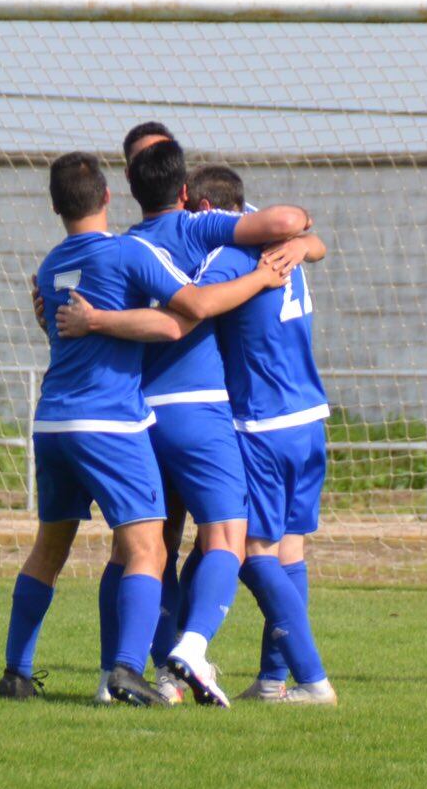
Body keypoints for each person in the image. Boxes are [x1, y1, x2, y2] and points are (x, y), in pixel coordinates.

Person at [0, 151, 293, 706]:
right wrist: (259, 275)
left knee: (49, 549)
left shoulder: (49, 265)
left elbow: (56, 321)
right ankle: (127, 671)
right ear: (108, 197)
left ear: (56, 205)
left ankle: (17, 670)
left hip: (51, 420)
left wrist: (89, 320)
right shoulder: (131, 252)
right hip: (108, 422)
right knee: (147, 549)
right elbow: (186, 313)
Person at [109, 132, 314, 705]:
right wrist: (295, 243)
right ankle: (195, 653)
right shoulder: (205, 233)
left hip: (140, 413)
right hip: (210, 409)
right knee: (234, 539)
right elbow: (282, 224)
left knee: (145, 548)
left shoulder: (121, 248)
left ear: (128, 186)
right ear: (185, 192)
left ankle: (124, 672)